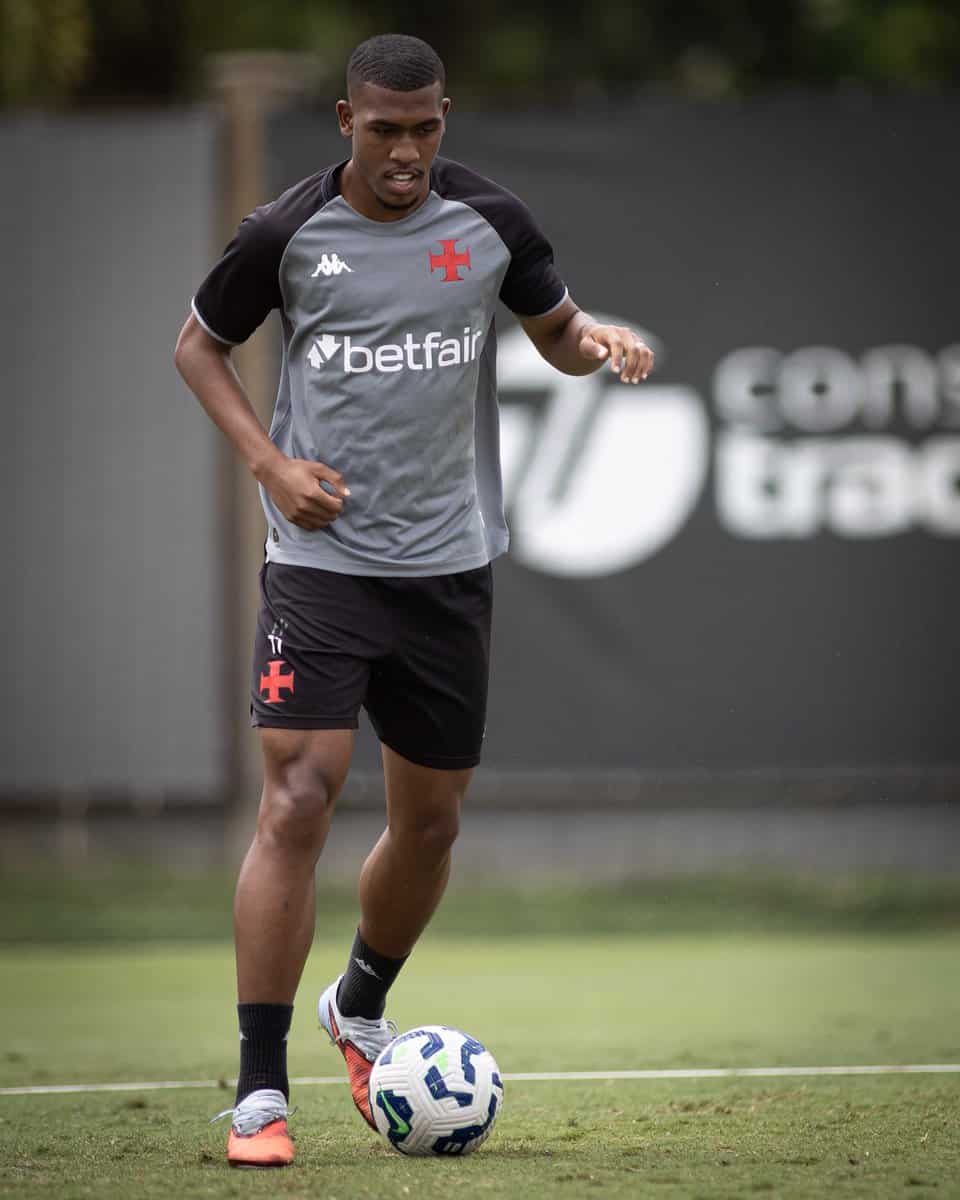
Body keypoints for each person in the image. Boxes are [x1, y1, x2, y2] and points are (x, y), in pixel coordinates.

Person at [175, 32, 653, 1168]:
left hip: (447, 568)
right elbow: (199, 348)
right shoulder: (287, 233)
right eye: (386, 129)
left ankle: (362, 1001)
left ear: (445, 121)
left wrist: (598, 344)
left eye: (427, 128)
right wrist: (268, 466)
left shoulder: (491, 221)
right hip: (320, 564)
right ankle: (257, 1091)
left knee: (430, 823)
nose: (407, 150)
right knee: (298, 797)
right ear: (346, 122)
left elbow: (556, 334)